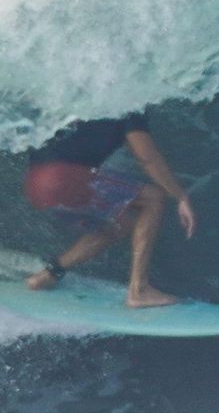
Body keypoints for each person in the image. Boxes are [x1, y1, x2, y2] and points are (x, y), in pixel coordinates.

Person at [22, 111, 197, 307]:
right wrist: (180, 196)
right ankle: (139, 290)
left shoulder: (97, 100)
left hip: (35, 182)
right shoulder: (131, 107)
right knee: (154, 197)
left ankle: (49, 275)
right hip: (64, 176)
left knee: (118, 224)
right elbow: (147, 157)